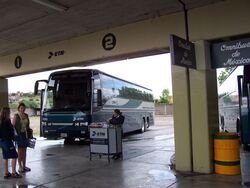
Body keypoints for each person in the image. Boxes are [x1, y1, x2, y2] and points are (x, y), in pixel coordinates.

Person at [0, 107, 22, 179]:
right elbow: (8, 132)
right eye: (9, 112)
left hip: (2, 141)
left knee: (5, 157)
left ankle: (6, 173)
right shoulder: (7, 121)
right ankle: (13, 172)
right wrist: (13, 137)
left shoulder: (1, 120)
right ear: (7, 113)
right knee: (14, 156)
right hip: (8, 141)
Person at [12, 103, 31, 173]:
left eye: (23, 108)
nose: (22, 109)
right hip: (19, 136)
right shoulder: (16, 116)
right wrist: (14, 136)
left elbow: (28, 125)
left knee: (25, 151)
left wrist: (29, 131)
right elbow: (13, 126)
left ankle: (24, 166)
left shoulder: (26, 115)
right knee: (20, 151)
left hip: (25, 135)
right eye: (21, 108)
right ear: (18, 108)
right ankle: (20, 166)